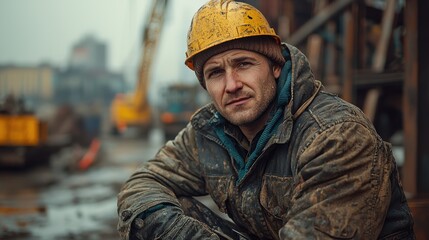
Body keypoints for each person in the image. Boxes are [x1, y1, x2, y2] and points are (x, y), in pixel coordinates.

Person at [117, 0, 415, 239]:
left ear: (275, 66)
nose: (231, 84)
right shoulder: (208, 132)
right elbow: (143, 183)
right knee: (158, 213)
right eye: (215, 73)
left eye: (243, 64)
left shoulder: (337, 136)